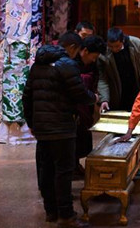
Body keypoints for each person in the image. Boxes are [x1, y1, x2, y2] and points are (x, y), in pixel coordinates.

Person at [22, 32, 95, 228]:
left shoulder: (37, 65)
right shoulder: (67, 64)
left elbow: (26, 96)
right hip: (62, 128)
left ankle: (51, 212)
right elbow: (80, 93)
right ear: (72, 47)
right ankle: (66, 215)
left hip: (42, 128)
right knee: (63, 171)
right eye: (76, 52)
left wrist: (32, 123)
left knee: (46, 170)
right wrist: (93, 98)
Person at [73, 35, 106, 179]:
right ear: (85, 51)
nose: (93, 60)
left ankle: (76, 165)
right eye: (93, 57)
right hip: (75, 106)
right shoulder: (72, 62)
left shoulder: (94, 64)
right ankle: (72, 166)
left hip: (87, 105)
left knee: (83, 137)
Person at [97, 27, 140, 113]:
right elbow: (103, 79)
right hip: (117, 95)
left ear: (122, 40)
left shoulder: (136, 44)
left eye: (117, 46)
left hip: (137, 89)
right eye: (111, 46)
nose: (114, 49)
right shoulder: (103, 52)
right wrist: (104, 100)